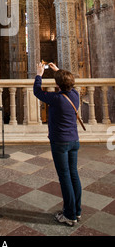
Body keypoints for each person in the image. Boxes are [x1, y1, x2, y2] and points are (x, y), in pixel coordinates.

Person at [33, 62, 82, 227]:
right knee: (74, 175)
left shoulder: (56, 99)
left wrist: (39, 74)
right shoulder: (75, 95)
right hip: (74, 141)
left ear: (57, 84)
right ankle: (77, 211)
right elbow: (67, 83)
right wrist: (58, 71)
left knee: (65, 177)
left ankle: (69, 215)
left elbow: (37, 91)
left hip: (60, 142)